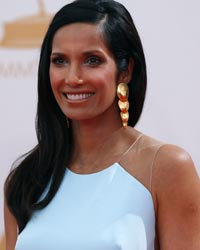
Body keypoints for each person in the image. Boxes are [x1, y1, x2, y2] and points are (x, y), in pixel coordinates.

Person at [4, 0, 200, 249]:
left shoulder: (166, 168)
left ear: (126, 70)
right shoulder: (25, 178)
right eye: (60, 61)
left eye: (92, 60)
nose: (73, 78)